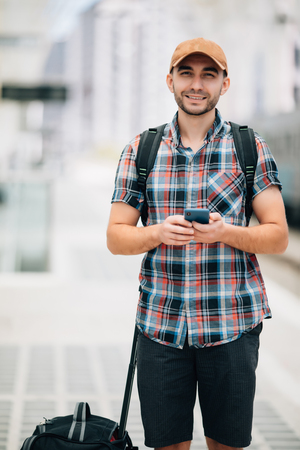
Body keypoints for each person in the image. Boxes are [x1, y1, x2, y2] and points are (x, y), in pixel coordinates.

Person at [106, 37, 289, 450]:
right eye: (187, 73)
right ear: (169, 80)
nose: (196, 84)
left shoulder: (249, 147)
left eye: (209, 74)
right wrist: (156, 232)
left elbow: (277, 235)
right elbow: (116, 236)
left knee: (225, 445)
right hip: (160, 328)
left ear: (225, 84)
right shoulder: (141, 150)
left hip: (231, 326)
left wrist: (226, 232)